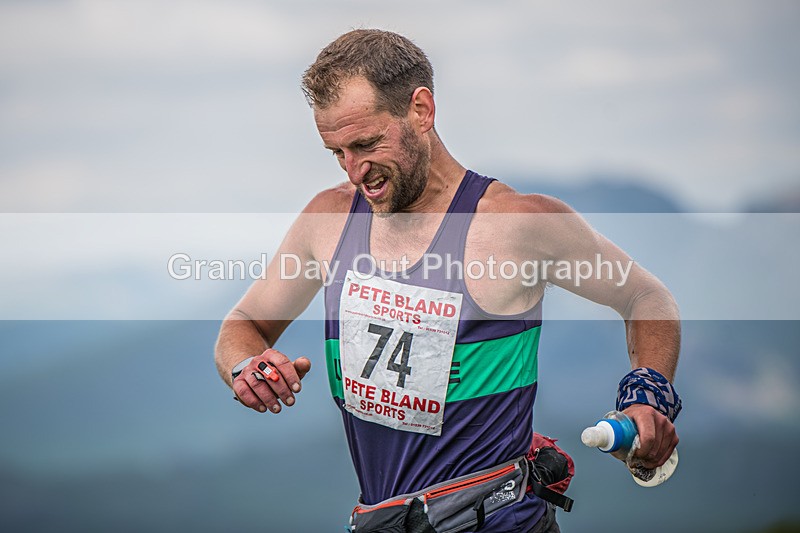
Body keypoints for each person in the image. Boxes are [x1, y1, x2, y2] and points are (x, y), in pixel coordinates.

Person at [214, 29, 681, 532]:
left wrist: (647, 392)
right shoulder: (329, 219)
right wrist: (247, 364)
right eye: (338, 152)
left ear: (421, 110)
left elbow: (643, 295)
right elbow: (244, 322)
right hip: (381, 520)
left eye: (367, 144)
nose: (355, 172)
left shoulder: (517, 225)